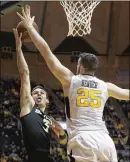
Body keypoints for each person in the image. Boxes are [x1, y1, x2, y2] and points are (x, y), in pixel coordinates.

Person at [17, 5, 130, 162]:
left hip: (83, 140)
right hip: (106, 142)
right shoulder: (106, 86)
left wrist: (31, 28)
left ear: (81, 66)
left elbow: (46, 52)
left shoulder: (70, 80)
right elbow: (127, 95)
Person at [13, 28, 67, 162]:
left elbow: (62, 141)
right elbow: (24, 73)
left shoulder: (50, 119)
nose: (38, 93)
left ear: (47, 100)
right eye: (35, 92)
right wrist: (19, 49)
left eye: (42, 92)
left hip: (47, 157)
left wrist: (61, 133)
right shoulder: (28, 106)